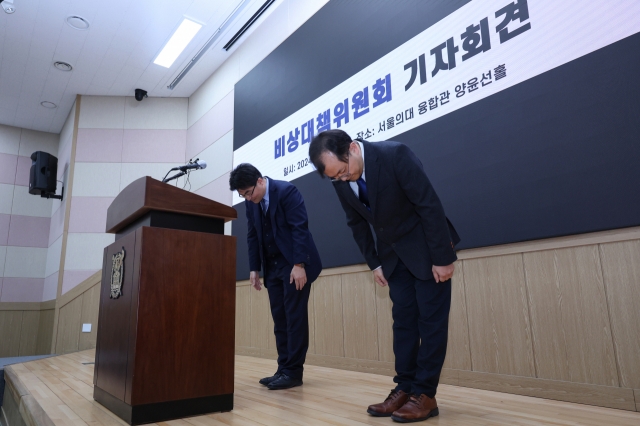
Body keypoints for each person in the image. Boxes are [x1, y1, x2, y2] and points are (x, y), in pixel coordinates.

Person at [309, 130, 460, 423]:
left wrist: (442, 257)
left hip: (427, 251)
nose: (342, 179)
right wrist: (374, 264)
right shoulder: (340, 179)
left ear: (352, 149)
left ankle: (425, 394)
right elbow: (356, 224)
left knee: (431, 323)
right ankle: (404, 388)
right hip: (392, 260)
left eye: (343, 171)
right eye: (334, 177)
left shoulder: (394, 155)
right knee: (403, 325)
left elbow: (428, 203)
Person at [229, 163, 322, 390]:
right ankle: (283, 369)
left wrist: (299, 264)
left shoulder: (286, 191)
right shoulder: (251, 203)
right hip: (273, 267)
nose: (248, 199)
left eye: (249, 193)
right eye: (243, 196)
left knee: (294, 318)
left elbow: (300, 228)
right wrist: (254, 268)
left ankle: (293, 372)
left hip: (294, 265)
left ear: (260, 181)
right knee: (280, 319)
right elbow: (252, 235)